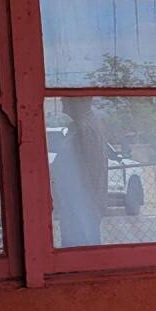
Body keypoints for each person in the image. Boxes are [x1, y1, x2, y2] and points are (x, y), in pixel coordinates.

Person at [49, 98, 105, 248]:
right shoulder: (79, 127)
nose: (62, 101)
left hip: (82, 201)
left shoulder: (84, 128)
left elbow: (88, 167)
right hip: (76, 200)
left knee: (82, 247)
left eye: (66, 99)